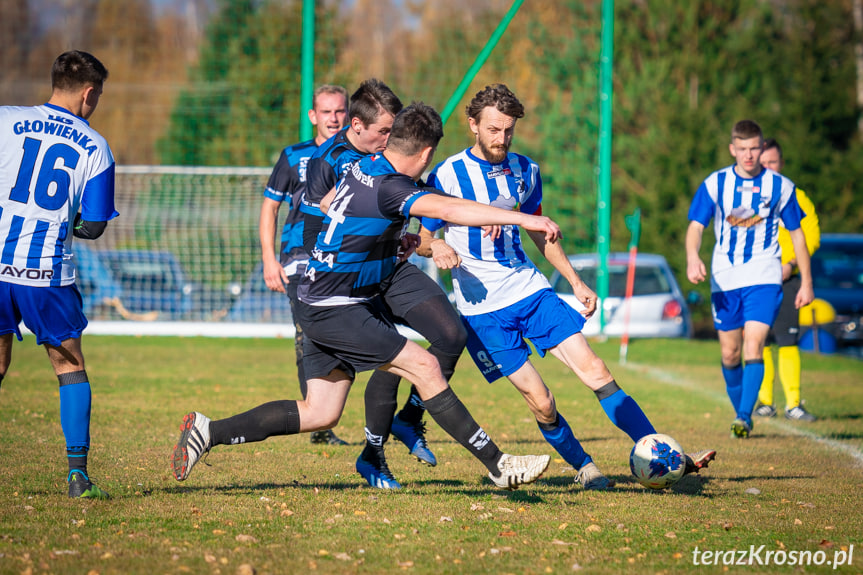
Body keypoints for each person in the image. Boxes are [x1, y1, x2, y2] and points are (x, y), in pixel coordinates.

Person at [172, 102, 556, 491]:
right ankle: (498, 463)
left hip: (317, 296)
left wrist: (387, 239)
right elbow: (448, 208)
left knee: (320, 412)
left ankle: (208, 431)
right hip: (336, 307)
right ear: (426, 154)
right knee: (424, 366)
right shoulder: (393, 186)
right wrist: (525, 218)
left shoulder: (365, 165)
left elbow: (336, 208)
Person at [418, 84, 716, 489]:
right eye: (493, 129)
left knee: (595, 368)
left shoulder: (525, 171)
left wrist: (576, 282)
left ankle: (662, 453)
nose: (502, 139)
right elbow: (420, 236)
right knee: (541, 401)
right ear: (473, 125)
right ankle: (585, 466)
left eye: (508, 130)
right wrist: (435, 245)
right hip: (481, 310)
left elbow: (541, 233)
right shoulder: (446, 174)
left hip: (529, 289)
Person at [303, 79, 467, 487]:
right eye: (384, 133)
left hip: (390, 266)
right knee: (394, 354)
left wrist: (429, 242)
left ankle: (409, 419)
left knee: (450, 334)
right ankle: (373, 454)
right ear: (358, 126)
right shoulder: (335, 159)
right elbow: (329, 216)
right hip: (349, 277)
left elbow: (418, 228)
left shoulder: (390, 163)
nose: (389, 141)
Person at [0, 50, 118, 499]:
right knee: (69, 366)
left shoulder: (6, 119)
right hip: (45, 273)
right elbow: (93, 225)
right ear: (89, 93)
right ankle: (77, 477)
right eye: (99, 96)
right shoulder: (95, 146)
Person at [686, 120, 814, 439]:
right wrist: (693, 257)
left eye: (754, 148)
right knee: (730, 352)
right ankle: (741, 410)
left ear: (762, 149)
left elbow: (798, 235)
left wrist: (807, 282)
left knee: (753, 343)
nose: (748, 155)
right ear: (732, 149)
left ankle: (744, 417)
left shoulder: (780, 186)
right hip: (724, 276)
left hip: (764, 273)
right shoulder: (715, 184)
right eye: (742, 149)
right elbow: (696, 227)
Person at [259, 84, 349, 445]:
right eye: (326, 112)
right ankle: (320, 425)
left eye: (340, 111)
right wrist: (269, 258)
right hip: (300, 262)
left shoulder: (358, 157)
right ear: (313, 116)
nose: (333, 118)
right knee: (309, 335)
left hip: (346, 260)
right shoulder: (294, 156)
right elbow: (270, 206)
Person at [753, 138, 820, 422]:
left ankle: (794, 403)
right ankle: (765, 402)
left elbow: (811, 236)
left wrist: (791, 265)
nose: (768, 167)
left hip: (787, 280)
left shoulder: (797, 196)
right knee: (760, 341)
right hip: (756, 280)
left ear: (781, 164)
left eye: (773, 162)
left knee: (787, 340)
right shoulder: (748, 198)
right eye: (763, 163)